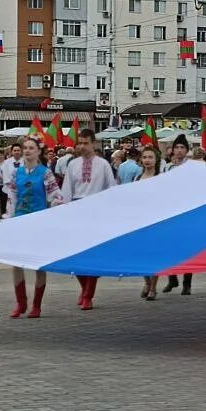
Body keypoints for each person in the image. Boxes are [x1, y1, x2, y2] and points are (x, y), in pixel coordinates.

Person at [5, 138, 65, 318]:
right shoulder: (17, 173)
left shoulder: (45, 173)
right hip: (20, 220)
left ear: (39, 152)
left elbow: (56, 195)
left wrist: (54, 207)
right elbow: (12, 197)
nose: (27, 151)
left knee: (39, 265)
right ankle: (20, 302)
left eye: (31, 148)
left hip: (39, 222)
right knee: (16, 263)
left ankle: (37, 305)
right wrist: (8, 216)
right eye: (25, 148)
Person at [60, 129, 117, 310]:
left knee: (91, 256)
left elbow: (111, 189)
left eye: (85, 143)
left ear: (93, 143)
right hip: (77, 210)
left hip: (96, 211)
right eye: (80, 143)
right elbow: (67, 190)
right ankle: (84, 287)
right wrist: (64, 212)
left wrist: (110, 213)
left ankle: (88, 296)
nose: (82, 147)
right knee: (75, 255)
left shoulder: (103, 164)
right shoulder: (72, 165)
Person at [161, 137, 194, 295]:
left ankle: (187, 283)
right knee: (169, 246)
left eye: (182, 147)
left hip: (187, 211)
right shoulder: (167, 168)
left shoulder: (192, 167)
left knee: (188, 249)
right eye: (177, 147)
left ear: (187, 150)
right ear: (172, 150)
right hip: (170, 211)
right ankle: (171, 278)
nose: (179, 150)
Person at [137, 147, 162, 300]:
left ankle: (153, 287)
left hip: (156, 221)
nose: (147, 160)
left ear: (156, 160)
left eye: (150, 157)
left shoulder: (161, 178)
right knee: (142, 256)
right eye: (145, 157)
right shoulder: (137, 178)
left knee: (154, 256)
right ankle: (146, 282)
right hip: (140, 221)